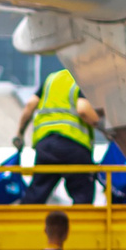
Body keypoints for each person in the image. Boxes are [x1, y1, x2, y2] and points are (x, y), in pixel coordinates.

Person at [23, 68, 102, 205]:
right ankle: (82, 218)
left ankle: (25, 218)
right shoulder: (83, 78)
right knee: (82, 196)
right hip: (74, 144)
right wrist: (104, 127)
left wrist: (19, 133)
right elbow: (83, 109)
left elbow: (30, 105)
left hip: (46, 144)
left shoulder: (52, 78)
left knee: (37, 193)